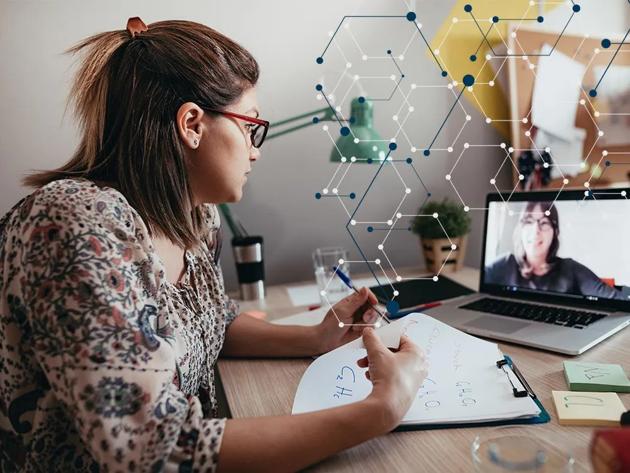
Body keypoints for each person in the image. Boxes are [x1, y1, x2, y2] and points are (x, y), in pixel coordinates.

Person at [0, 18, 429, 472]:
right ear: (191, 124)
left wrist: (313, 337)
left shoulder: (195, 217)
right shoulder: (79, 225)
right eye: (250, 127)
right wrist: (382, 408)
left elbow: (212, 321)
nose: (256, 149)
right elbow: (151, 450)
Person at [485, 201, 625, 299]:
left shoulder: (571, 269)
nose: (535, 231)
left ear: (555, 232)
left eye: (544, 223)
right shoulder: (505, 264)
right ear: (520, 229)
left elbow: (614, 298)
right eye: (529, 221)